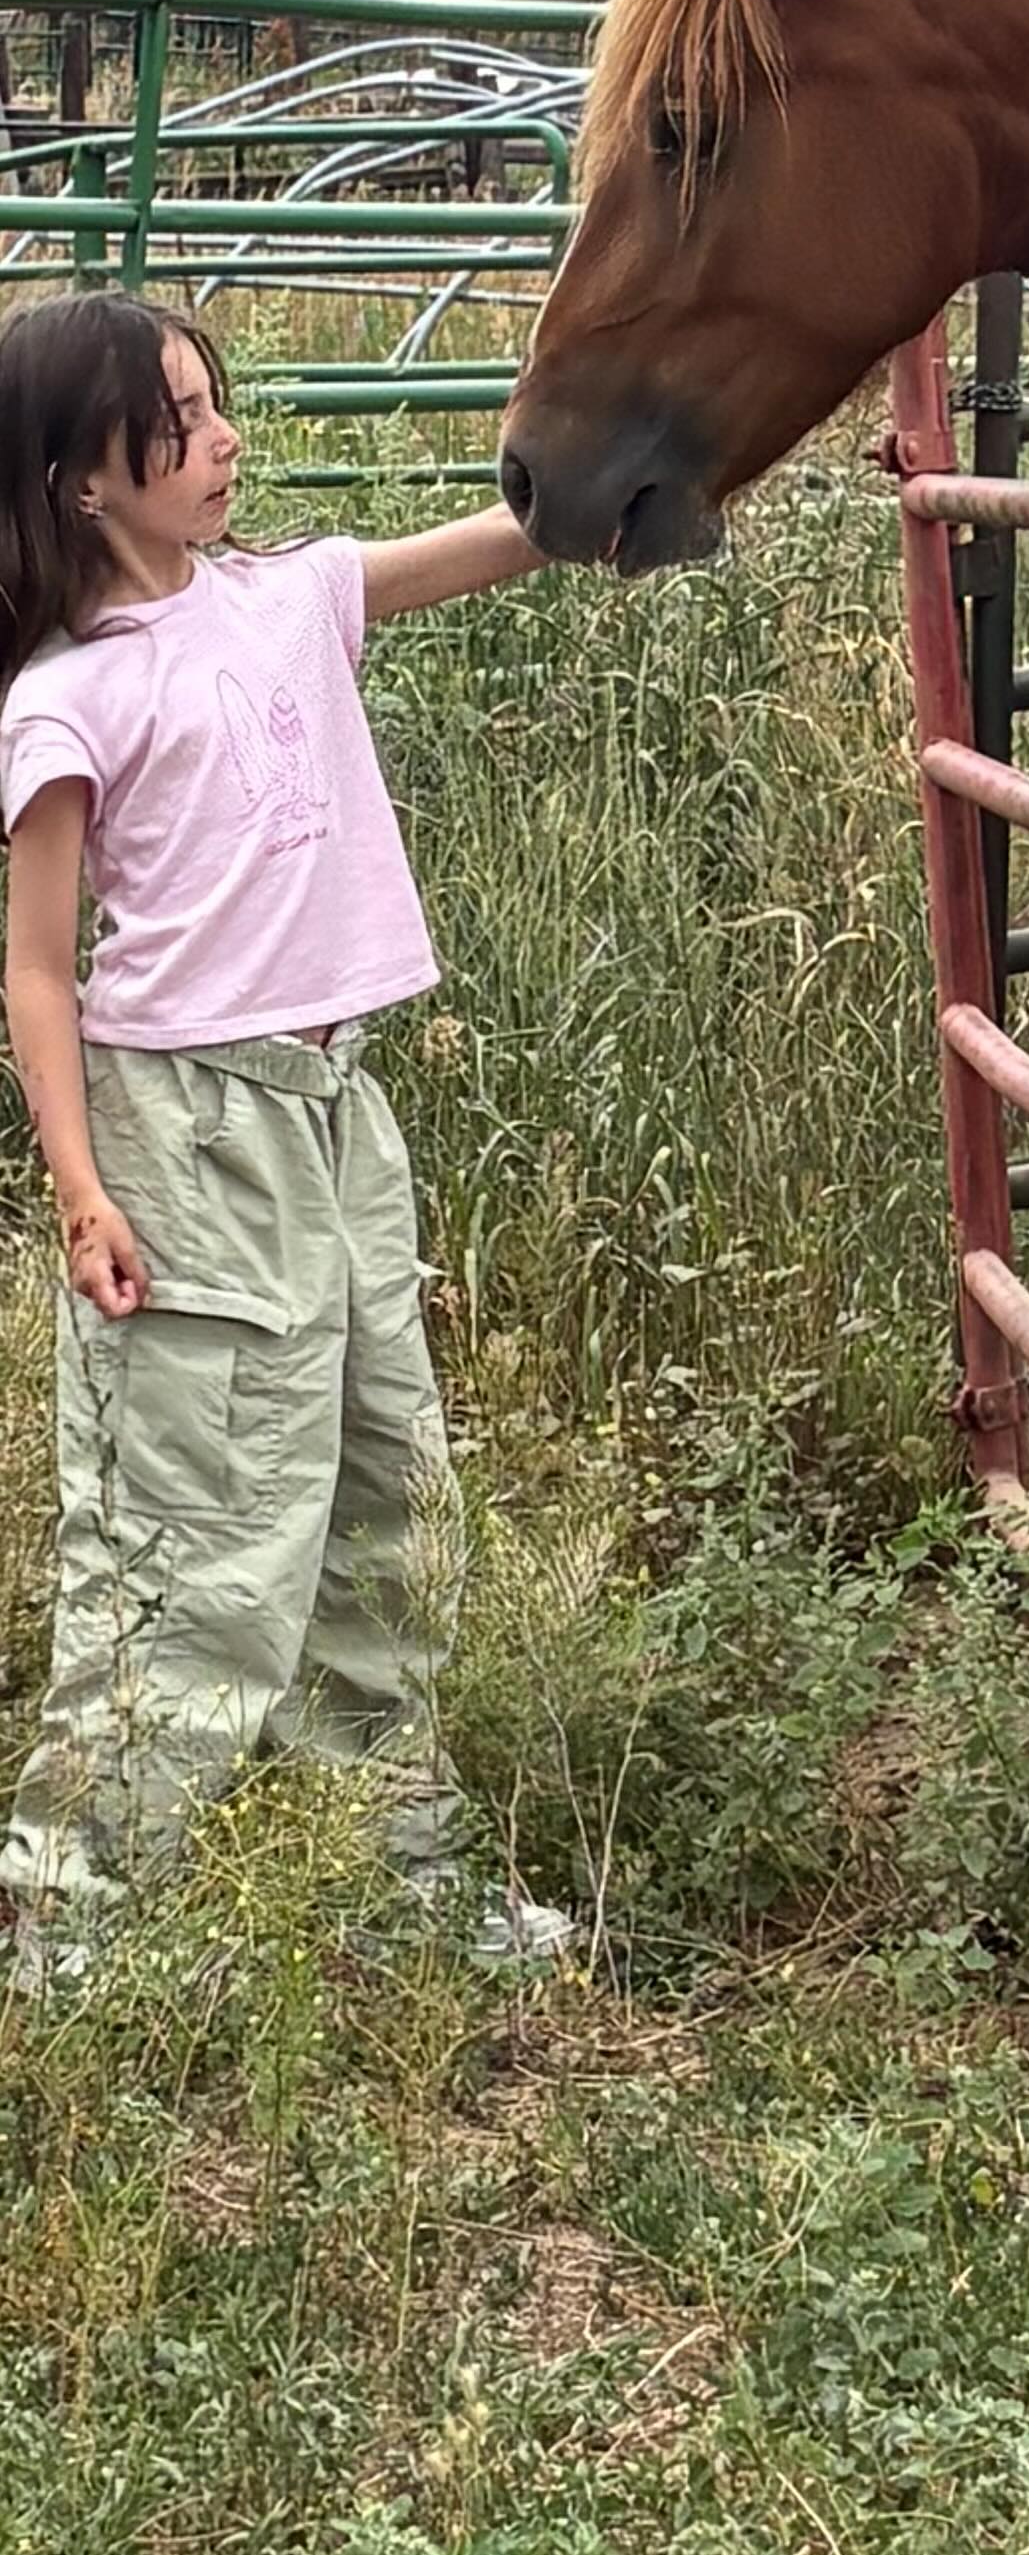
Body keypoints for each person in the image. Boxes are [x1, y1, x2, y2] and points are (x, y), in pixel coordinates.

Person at [0, 290, 561, 1986]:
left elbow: (487, 548)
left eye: (215, 401)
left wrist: (628, 468)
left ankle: (396, 1873)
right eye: (177, 419)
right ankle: (67, 1914)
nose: (222, 437)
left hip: (336, 1112)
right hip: (184, 1128)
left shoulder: (291, 595)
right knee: (196, 1526)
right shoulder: (64, 697)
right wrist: (83, 1188)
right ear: (82, 477)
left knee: (389, 1493)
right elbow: (36, 970)